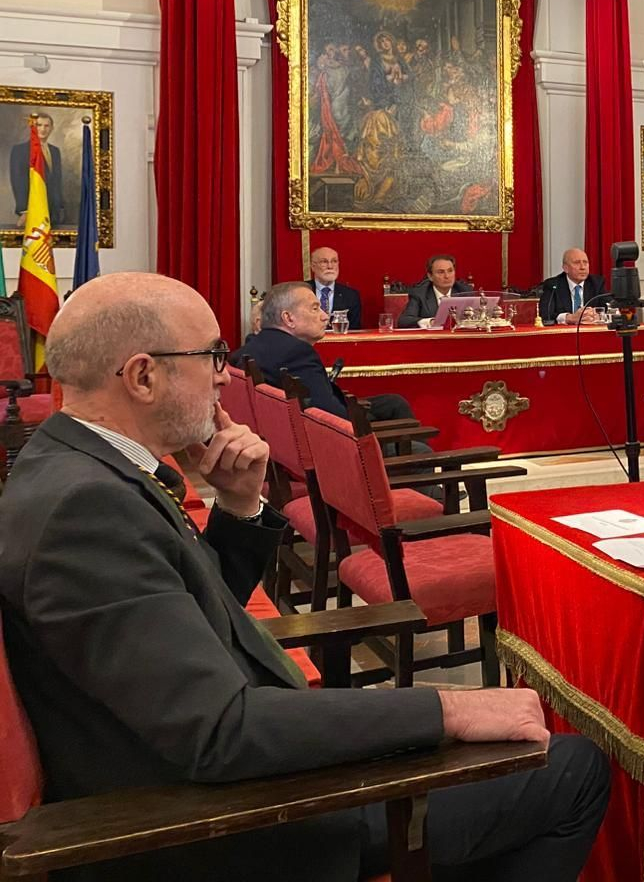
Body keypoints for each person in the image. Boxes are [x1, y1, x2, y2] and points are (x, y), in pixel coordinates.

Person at [0, 272, 608, 881]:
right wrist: (446, 708)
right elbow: (220, 730)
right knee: (573, 769)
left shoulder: (77, 465)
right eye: (213, 355)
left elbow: (185, 614)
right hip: (224, 822)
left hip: (210, 769)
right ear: (142, 376)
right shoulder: (86, 511)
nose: (224, 373)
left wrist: (238, 506)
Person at [238, 282, 414, 424]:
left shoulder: (248, 348)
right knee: (419, 449)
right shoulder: (297, 353)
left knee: (393, 403)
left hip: (287, 431)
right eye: (315, 309)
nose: (325, 316)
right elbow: (333, 418)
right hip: (333, 447)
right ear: (288, 318)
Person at [9, 111, 66, 227]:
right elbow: (17, 181)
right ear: (33, 127)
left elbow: (57, 181)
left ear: (52, 128)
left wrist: (60, 207)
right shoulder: (20, 150)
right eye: (39, 125)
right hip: (31, 210)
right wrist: (24, 210)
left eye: (46, 126)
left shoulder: (55, 151)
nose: (43, 129)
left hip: (53, 213)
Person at [398, 254, 474, 328]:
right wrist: (430, 322)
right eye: (441, 272)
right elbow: (404, 321)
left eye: (450, 271)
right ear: (430, 276)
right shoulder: (420, 294)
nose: (447, 276)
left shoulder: (465, 291)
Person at [539, 248, 608, 325]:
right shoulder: (553, 285)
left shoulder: (596, 283)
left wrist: (597, 316)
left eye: (585, 262)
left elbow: (609, 309)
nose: (583, 267)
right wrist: (570, 318)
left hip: (590, 332)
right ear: (566, 268)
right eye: (577, 263)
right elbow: (545, 315)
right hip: (563, 334)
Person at [306, 245, 363, 330]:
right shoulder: (301, 291)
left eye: (334, 261)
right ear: (313, 266)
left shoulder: (351, 295)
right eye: (324, 262)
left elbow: (354, 330)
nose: (330, 266)